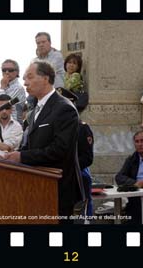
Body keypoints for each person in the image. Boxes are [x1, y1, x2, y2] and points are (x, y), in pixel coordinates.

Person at [4, 61, 82, 220]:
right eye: (25, 78)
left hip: (57, 189)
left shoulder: (64, 108)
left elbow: (60, 150)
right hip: (36, 186)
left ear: (46, 78)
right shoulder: (34, 112)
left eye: (30, 77)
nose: (25, 82)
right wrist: (12, 155)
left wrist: (22, 157)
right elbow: (30, 146)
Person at [57, 87, 94, 217]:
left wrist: (68, 167)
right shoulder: (56, 128)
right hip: (57, 176)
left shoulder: (82, 128)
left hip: (78, 175)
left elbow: (87, 158)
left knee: (80, 213)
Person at [0, 59, 26, 125]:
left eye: (10, 70)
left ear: (17, 72)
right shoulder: (4, 87)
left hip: (13, 126)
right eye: (4, 70)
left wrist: (2, 88)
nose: (7, 72)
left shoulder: (19, 88)